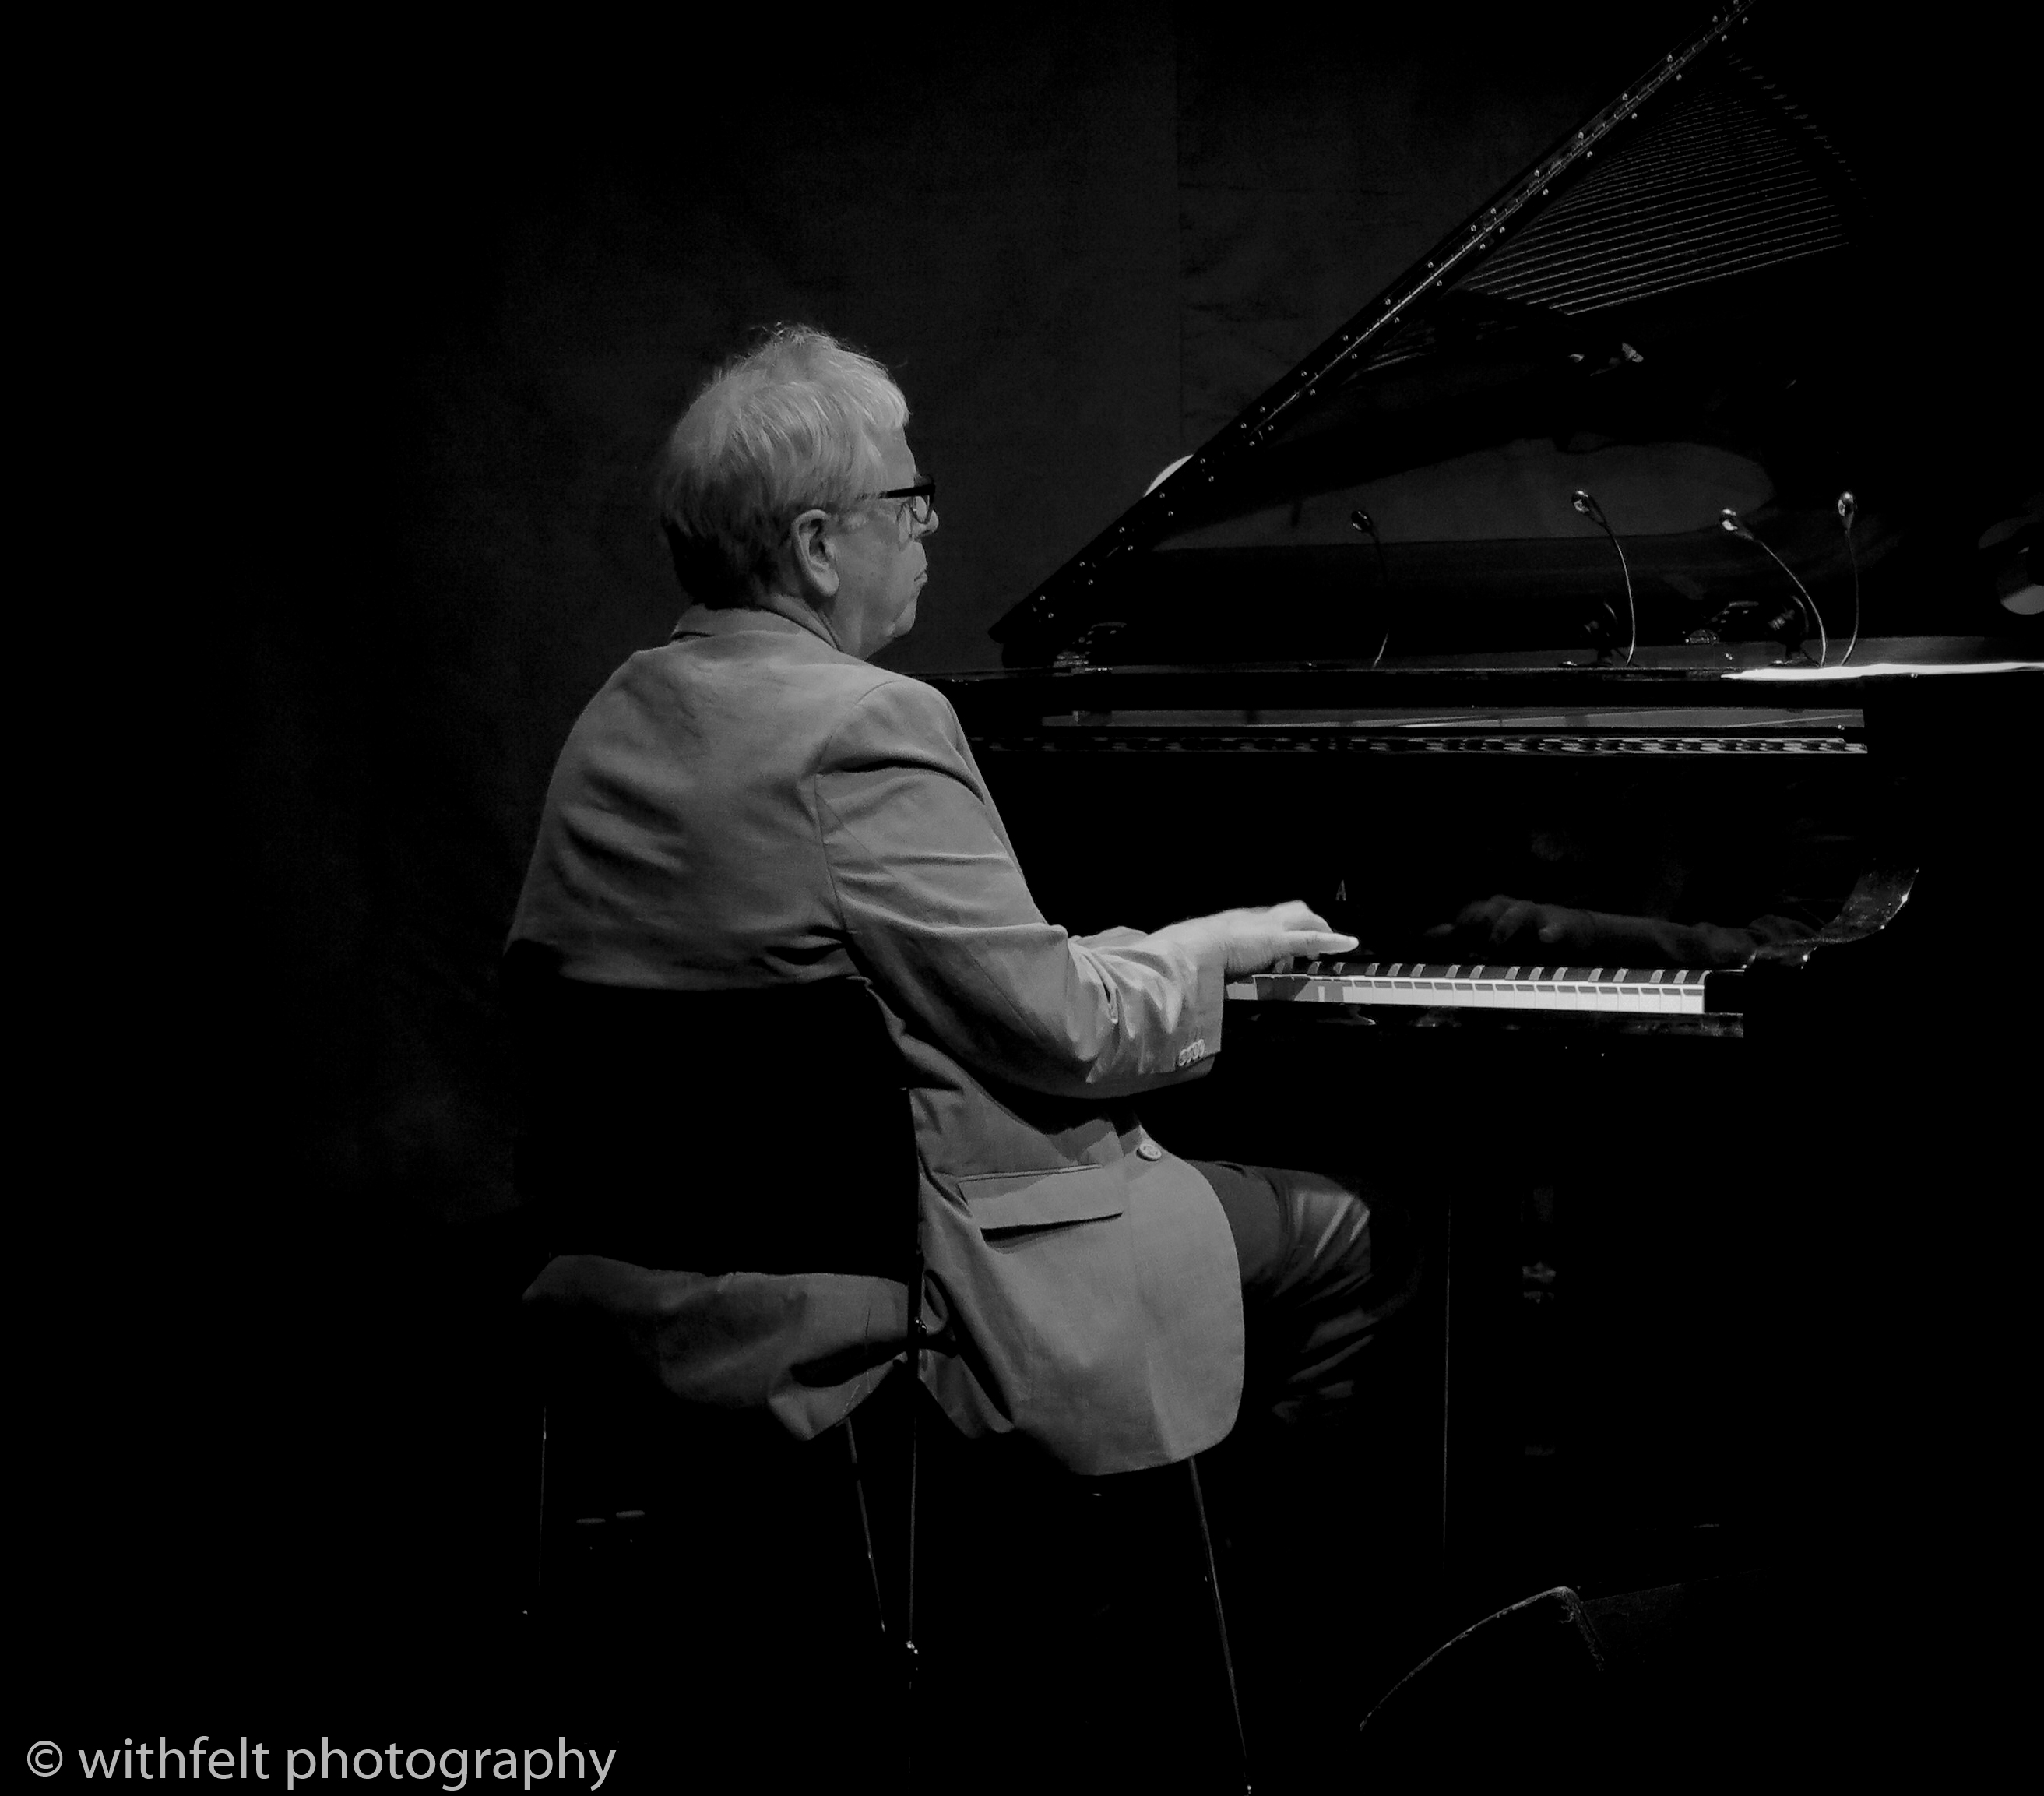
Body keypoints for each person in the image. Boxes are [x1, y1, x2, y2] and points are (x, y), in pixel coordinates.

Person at [508, 324, 1403, 1479]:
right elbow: (1067, 1030)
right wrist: (1202, 949)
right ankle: (1209, 1603)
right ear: (819, 546)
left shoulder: (612, 720)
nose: (928, 525)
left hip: (636, 1281)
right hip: (905, 1289)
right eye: (909, 497)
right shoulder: (867, 725)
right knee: (1359, 1230)